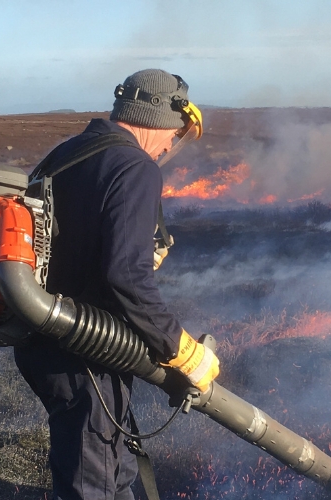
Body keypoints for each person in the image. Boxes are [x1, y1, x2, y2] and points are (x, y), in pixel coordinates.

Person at [13, 69, 220, 500]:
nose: (170, 146)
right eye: (175, 133)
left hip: (43, 342)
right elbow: (125, 275)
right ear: (158, 116)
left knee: (113, 467)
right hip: (82, 353)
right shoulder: (134, 166)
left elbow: (79, 247)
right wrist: (180, 348)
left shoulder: (66, 154)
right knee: (94, 483)